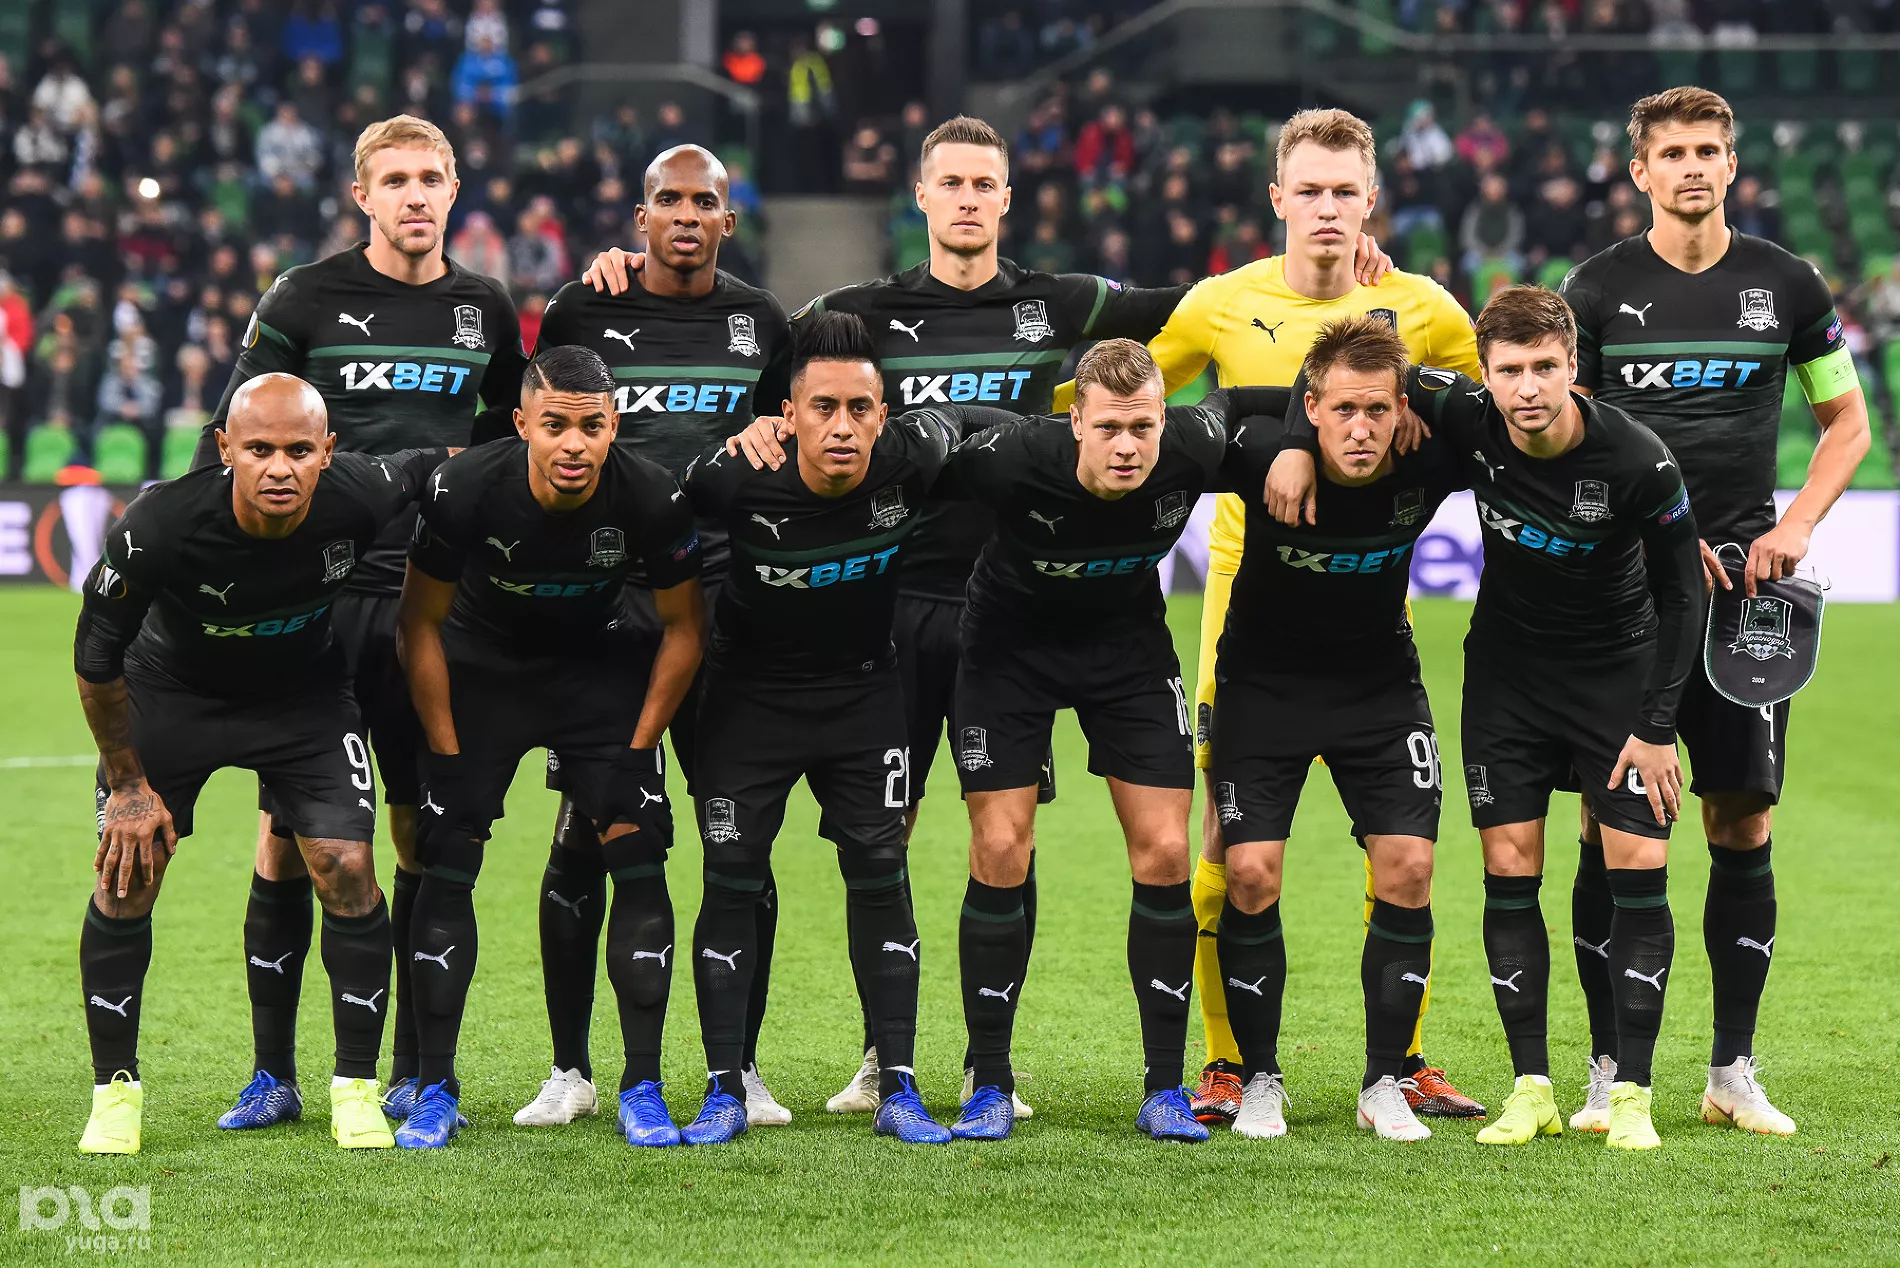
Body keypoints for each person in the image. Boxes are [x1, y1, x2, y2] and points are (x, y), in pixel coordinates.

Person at [582, 115, 1250, 1120]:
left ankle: (981, 1067)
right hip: (891, 605)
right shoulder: (855, 311)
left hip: (1011, 608)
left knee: (1001, 836)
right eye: (953, 183)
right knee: (881, 835)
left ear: (1006, 198)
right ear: (923, 197)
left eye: (986, 183)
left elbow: (1204, 305)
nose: (969, 199)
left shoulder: (1060, 301)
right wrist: (629, 282)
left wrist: (1320, 265)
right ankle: (879, 1055)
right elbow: (771, 386)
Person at [1070, 107, 1484, 1126]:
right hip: (1242, 617)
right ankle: (1226, 1059)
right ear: (1277, 199)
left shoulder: (1422, 309)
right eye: (1309, 191)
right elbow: (1126, 402)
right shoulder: (1222, 304)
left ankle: (1404, 1059)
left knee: (1399, 847)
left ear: (1372, 201)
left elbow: (1501, 415)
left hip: (1368, 615)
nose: (1328, 209)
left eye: (1345, 192)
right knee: (1231, 848)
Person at [1277, 286, 1705, 1150]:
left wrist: (1657, 728)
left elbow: (1684, 593)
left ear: (1573, 366)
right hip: (1508, 679)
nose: (1528, 387)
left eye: (1545, 366)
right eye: (1509, 370)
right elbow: (1338, 363)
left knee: (1639, 865)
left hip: (1615, 677)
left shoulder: (1638, 459)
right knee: (1510, 869)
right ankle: (1531, 1088)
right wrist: (1293, 441)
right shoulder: (1463, 411)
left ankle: (1632, 1092)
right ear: (1485, 373)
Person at [195, 114, 526, 1131]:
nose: (415, 195)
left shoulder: (484, 308)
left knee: (422, 830)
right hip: (318, 605)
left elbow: (505, 442)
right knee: (289, 836)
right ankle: (272, 1073)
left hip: (433, 606)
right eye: (396, 179)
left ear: (454, 190)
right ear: (362, 195)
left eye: (431, 177)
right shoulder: (305, 296)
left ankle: (419, 1072)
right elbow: (230, 435)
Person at [1559, 87, 1869, 1138]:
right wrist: (1644, 530)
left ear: (1732, 164)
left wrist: (1799, 524)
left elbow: (1846, 422)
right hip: (1624, 597)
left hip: (1743, 596)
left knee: (1742, 819)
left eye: (1708, 150)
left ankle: (1731, 1068)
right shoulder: (1597, 289)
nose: (1692, 166)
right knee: (1609, 826)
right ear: (1638, 171)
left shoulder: (1787, 284)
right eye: (1672, 152)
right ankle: (1607, 1066)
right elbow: (1567, 440)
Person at [489, 144, 795, 1131]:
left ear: (729, 218)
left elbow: (783, 442)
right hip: (603, 610)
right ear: (641, 217)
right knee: (587, 831)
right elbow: (539, 428)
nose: (687, 215)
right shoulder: (583, 311)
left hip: (725, 606)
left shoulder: (764, 323)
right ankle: (570, 1068)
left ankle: (739, 1066)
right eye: (670, 199)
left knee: (737, 836)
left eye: (705, 201)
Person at [70, 373, 449, 1155]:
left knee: (346, 864)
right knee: (127, 873)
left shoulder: (364, 491)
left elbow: (441, 463)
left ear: (328, 452)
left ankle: (354, 1090)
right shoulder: (159, 526)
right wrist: (128, 784)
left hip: (302, 697)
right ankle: (114, 1094)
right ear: (225, 448)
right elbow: (95, 657)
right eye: (260, 450)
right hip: (172, 694)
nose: (280, 467)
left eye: (299, 451)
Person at [926, 340, 1242, 1144]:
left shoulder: (1194, 446)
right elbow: (944, 426)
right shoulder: (1014, 458)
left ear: (1164, 419)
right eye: (1108, 428)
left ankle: (1164, 1089)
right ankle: (989, 1082)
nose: (1127, 446)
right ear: (1075, 423)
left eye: (1142, 426)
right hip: (1007, 654)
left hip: (1126, 654)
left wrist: (1306, 448)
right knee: (1001, 847)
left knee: (1166, 851)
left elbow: (1244, 403)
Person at [394, 345, 705, 1149]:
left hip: (598, 671)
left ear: (614, 426)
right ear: (522, 423)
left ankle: (641, 1086)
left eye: (591, 426)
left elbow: (684, 628)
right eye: (555, 425)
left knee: (639, 854)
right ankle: (435, 1087)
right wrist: (446, 750)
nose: (574, 444)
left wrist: (640, 746)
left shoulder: (652, 494)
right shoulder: (464, 488)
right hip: (484, 672)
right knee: (447, 857)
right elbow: (418, 623)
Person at [673, 312, 963, 1147]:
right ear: (788, 414)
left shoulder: (915, 454)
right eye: (823, 408)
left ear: (884, 415)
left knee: (880, 871)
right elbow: (654, 516)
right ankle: (725, 1088)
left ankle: (898, 1086)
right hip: (746, 701)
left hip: (865, 697)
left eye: (859, 409)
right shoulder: (733, 475)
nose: (842, 427)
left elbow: (986, 427)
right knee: (731, 877)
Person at [1208, 316, 1466, 1142]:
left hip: (1379, 693)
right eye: (1342, 410)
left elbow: (1520, 418)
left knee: (1410, 867)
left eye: (1378, 410)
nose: (1361, 428)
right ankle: (1259, 1078)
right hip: (1264, 690)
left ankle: (1385, 1080)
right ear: (1312, 407)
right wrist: (1289, 441)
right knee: (1249, 875)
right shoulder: (1260, 454)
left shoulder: (1432, 457)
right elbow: (1219, 406)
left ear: (1402, 411)